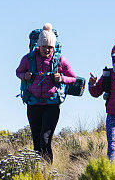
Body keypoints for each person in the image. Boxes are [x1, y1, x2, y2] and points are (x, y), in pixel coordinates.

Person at [15, 23, 77, 163]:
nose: (47, 50)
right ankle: (38, 169)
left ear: (53, 47)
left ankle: (48, 168)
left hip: (52, 105)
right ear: (39, 46)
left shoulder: (59, 60)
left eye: (50, 47)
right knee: (36, 140)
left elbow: (73, 78)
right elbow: (18, 72)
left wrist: (61, 78)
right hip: (33, 103)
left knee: (45, 138)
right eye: (44, 47)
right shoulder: (28, 59)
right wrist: (24, 76)